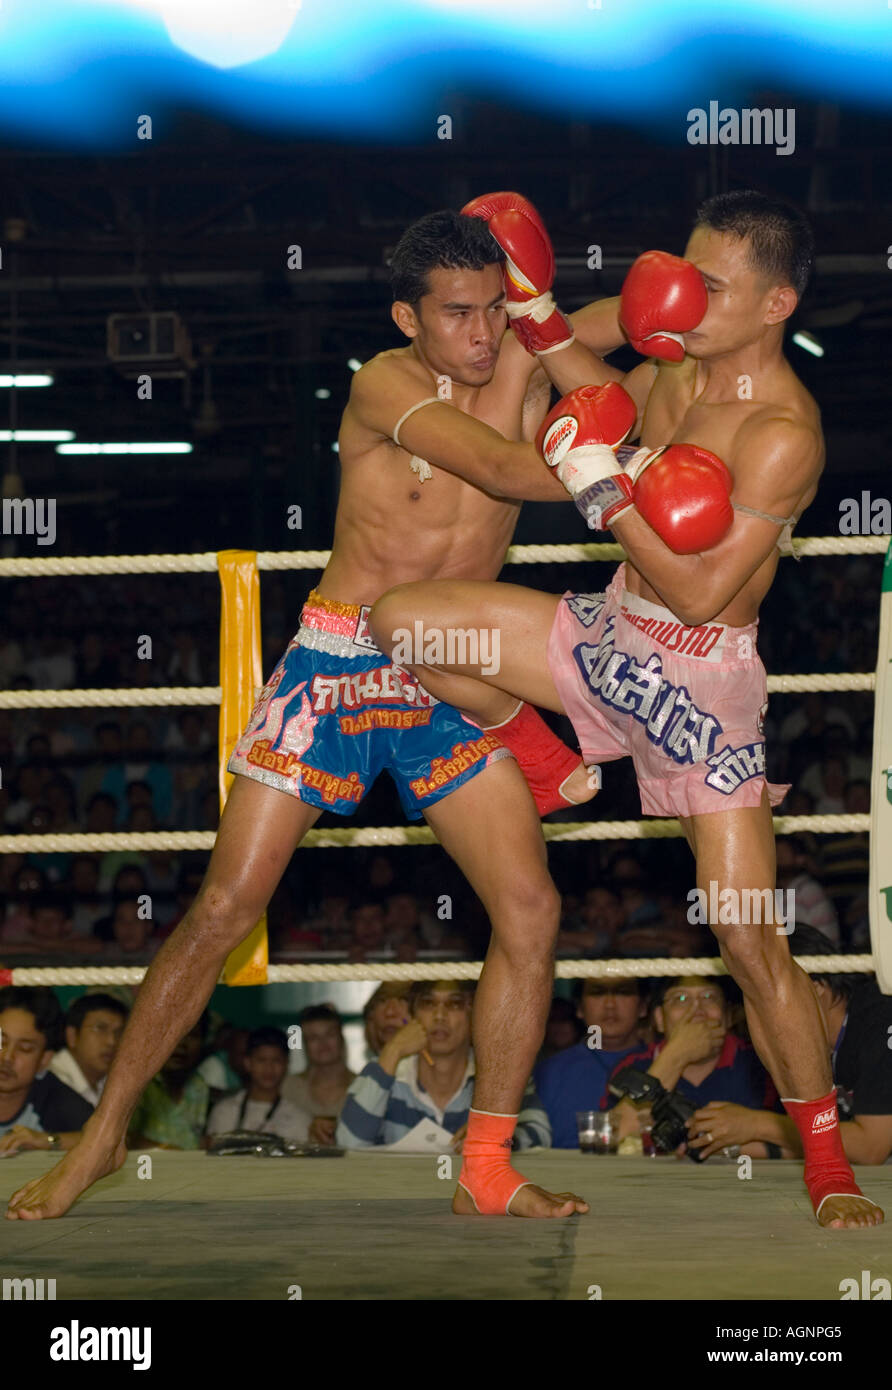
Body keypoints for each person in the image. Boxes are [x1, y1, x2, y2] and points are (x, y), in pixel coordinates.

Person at [11, 204, 641, 1220]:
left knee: (531, 909)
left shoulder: (523, 353)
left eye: (493, 311)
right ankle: (101, 1137)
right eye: (456, 314)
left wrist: (661, 310)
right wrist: (613, 456)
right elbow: (501, 469)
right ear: (409, 317)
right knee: (224, 906)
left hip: (442, 669)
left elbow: (627, 323)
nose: (480, 336)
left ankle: (484, 1166)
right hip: (340, 658)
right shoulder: (384, 382)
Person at [369, 189, 881, 1227]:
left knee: (746, 938)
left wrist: (601, 489)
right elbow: (592, 384)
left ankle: (826, 1166)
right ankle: (548, 759)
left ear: (778, 302)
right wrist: (540, 306)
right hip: (605, 639)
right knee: (404, 620)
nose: (686, 299)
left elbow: (698, 591)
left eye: (713, 286)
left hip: (698, 683)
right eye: (682, 276)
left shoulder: (784, 432)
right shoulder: (676, 362)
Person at [687, 928, 892, 1166]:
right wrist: (732, 1144)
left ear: (815, 989)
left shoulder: (880, 1020)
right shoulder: (822, 1044)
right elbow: (832, 1142)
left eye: (768, 1002)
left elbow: (870, 1148)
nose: (760, 1018)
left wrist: (758, 1124)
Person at [337, 981, 549, 1151]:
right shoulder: (385, 1070)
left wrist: (495, 1139)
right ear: (413, 1016)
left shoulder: (500, 1075)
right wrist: (392, 1051)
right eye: (428, 1004)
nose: (439, 1016)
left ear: (475, 1016)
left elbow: (540, 1133)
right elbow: (348, 1142)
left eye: (454, 1004)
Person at [605, 977, 783, 1154]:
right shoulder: (634, 1066)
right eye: (680, 999)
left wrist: (753, 1125)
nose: (696, 1010)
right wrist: (676, 1055)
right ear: (659, 1018)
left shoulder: (761, 1063)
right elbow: (607, 1139)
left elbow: (804, 1135)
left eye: (709, 997)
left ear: (727, 1015)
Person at [535, 978, 648, 1147]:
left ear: (643, 1007)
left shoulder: (663, 1064)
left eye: (623, 992)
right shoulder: (547, 1073)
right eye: (598, 992)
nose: (610, 1004)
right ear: (579, 1008)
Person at [0, 987, 93, 1155]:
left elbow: (109, 1139)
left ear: (44, 1060)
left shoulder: (57, 1099)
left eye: (25, 1048)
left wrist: (48, 1140)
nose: (7, 1057)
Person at [206, 1027, 310, 1144]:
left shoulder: (299, 1119)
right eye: (261, 1060)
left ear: (287, 1064)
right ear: (248, 1063)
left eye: (276, 1061)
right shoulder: (224, 1112)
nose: (269, 1069)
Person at [127, 1015, 211, 1151]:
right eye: (172, 1034)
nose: (182, 1043)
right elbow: (126, 1139)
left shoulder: (199, 1086)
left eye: (192, 1035)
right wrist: (169, 1151)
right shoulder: (138, 1084)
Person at [281, 1005, 356, 1145]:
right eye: (313, 1037)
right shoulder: (288, 1088)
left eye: (329, 1034)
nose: (323, 1043)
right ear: (305, 1044)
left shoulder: (364, 1087)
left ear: (341, 1038)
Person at [49, 993, 129, 1107]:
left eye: (119, 1032)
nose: (112, 1041)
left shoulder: (112, 1082)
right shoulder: (52, 1083)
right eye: (100, 1028)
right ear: (72, 1035)